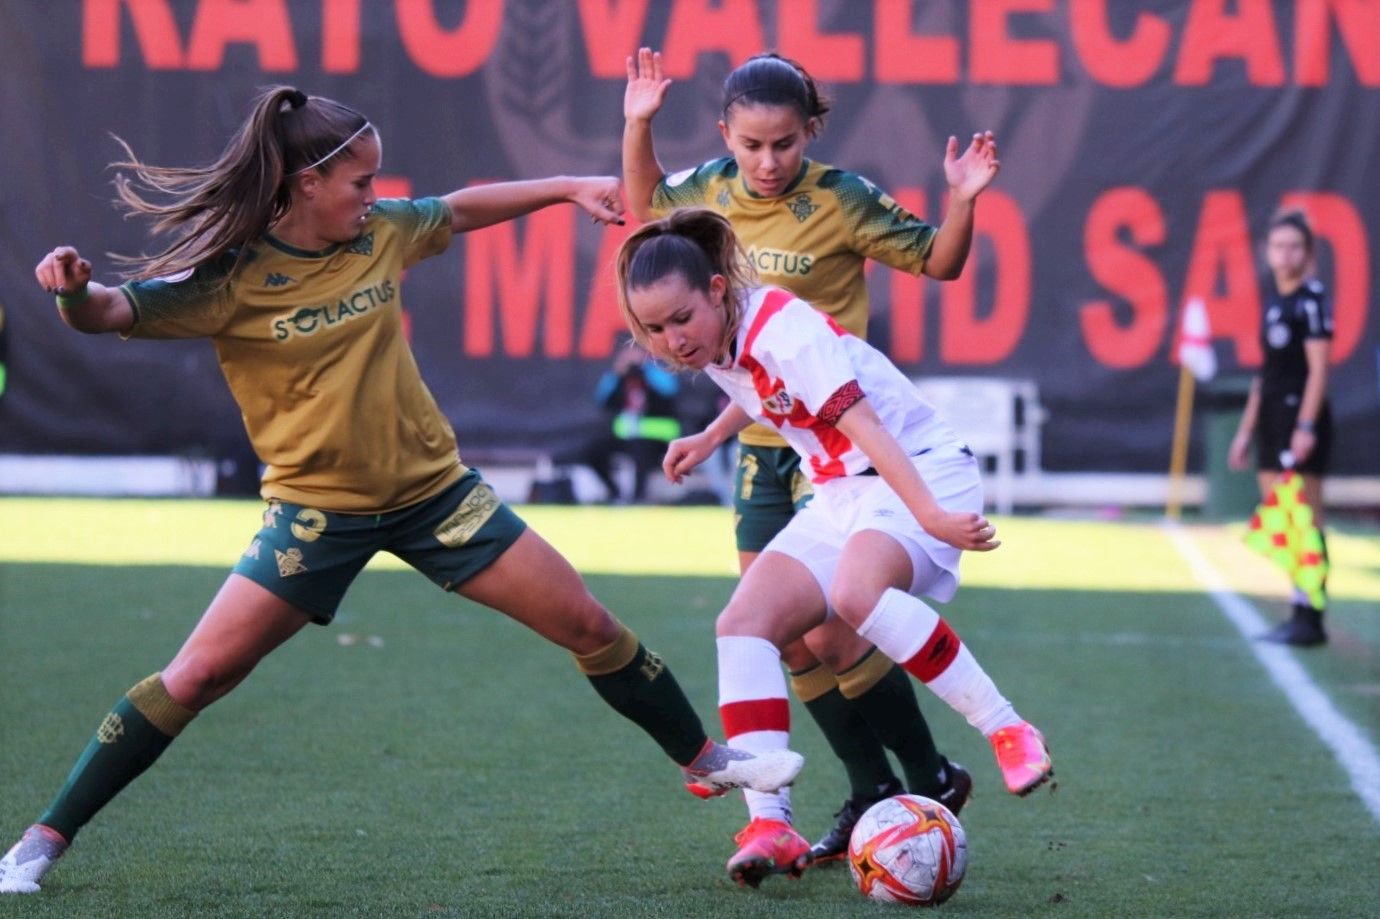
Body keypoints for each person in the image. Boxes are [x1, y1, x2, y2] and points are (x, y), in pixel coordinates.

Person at [0, 87, 804, 896]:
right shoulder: (233, 278)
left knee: (589, 622)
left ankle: (707, 759)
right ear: (307, 183)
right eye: (361, 181)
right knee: (196, 677)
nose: (375, 196)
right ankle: (43, 837)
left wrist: (563, 186)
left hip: (439, 497)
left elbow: (457, 208)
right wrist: (71, 291)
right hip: (317, 516)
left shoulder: (379, 235)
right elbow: (106, 312)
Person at [624, 48, 996, 864]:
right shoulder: (708, 191)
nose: (766, 161)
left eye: (783, 144)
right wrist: (638, 120)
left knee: (840, 628)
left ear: (810, 133)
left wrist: (963, 204)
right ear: (726, 134)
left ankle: (922, 775)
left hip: (846, 439)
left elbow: (941, 260)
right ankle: (866, 793)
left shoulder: (842, 198)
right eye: (751, 145)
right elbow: (640, 207)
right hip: (767, 443)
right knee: (787, 635)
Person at [614, 208, 1053, 887]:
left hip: (916, 468)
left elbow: (867, 425)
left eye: (679, 319)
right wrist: (707, 438)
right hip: (844, 491)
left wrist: (932, 515)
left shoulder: (784, 332)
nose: (671, 340)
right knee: (743, 624)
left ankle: (1007, 727)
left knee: (854, 594)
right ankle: (770, 819)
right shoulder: (723, 338)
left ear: (716, 291)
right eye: (653, 328)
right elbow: (759, 390)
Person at [1228, 209, 1334, 646]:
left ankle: (1310, 617)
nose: (1285, 255)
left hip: (1298, 419)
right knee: (1284, 518)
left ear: (1307, 253)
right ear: (1267, 252)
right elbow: (1266, 374)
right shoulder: (1275, 302)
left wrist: (1306, 425)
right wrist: (1245, 431)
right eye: (1277, 246)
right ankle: (1298, 608)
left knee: (1306, 519)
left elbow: (1319, 370)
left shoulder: (1310, 300)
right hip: (1271, 418)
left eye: (1294, 246)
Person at [563, 343, 683, 503]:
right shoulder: (620, 378)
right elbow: (602, 400)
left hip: (656, 438)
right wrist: (618, 372)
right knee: (593, 451)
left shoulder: (655, 374)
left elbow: (669, 389)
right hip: (628, 436)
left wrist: (644, 369)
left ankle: (638, 498)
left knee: (641, 449)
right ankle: (615, 493)